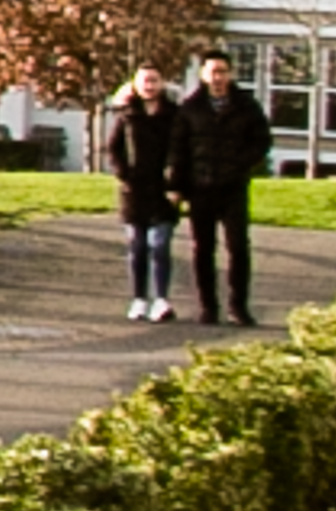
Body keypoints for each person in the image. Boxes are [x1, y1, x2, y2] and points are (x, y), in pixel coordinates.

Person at [182, 47, 265, 328]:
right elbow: (178, 149)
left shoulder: (247, 106)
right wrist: (178, 185)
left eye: (223, 72)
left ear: (230, 75)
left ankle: (238, 306)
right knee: (203, 249)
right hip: (200, 187)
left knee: (238, 247)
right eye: (213, 72)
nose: (218, 78)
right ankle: (208, 307)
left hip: (233, 186)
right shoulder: (191, 109)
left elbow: (261, 141)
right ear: (203, 75)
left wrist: (242, 166)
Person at [108, 69, 184, 321]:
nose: (149, 86)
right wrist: (124, 174)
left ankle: (161, 299)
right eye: (144, 81)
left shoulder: (174, 116)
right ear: (135, 85)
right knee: (137, 246)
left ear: (162, 84)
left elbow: (181, 150)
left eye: (154, 81)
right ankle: (139, 298)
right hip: (134, 191)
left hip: (163, 191)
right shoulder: (128, 115)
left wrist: (175, 184)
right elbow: (113, 148)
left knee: (160, 244)